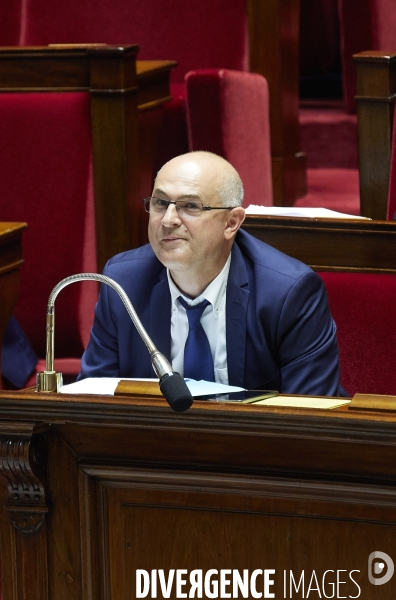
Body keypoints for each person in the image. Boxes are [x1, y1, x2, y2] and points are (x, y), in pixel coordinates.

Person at [79, 151, 343, 396]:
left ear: (231, 223)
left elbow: (308, 414)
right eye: (160, 203)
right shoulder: (123, 282)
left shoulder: (287, 293)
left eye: (190, 206)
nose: (168, 219)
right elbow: (92, 398)